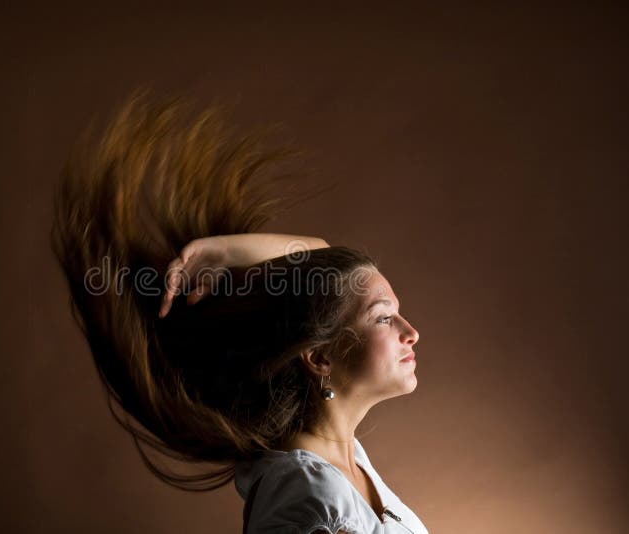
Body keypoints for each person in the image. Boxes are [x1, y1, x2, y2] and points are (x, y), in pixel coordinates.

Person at [52, 88, 429, 533]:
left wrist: (224, 251)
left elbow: (324, 255)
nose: (412, 332)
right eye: (385, 317)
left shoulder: (346, 463)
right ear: (319, 356)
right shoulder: (307, 492)